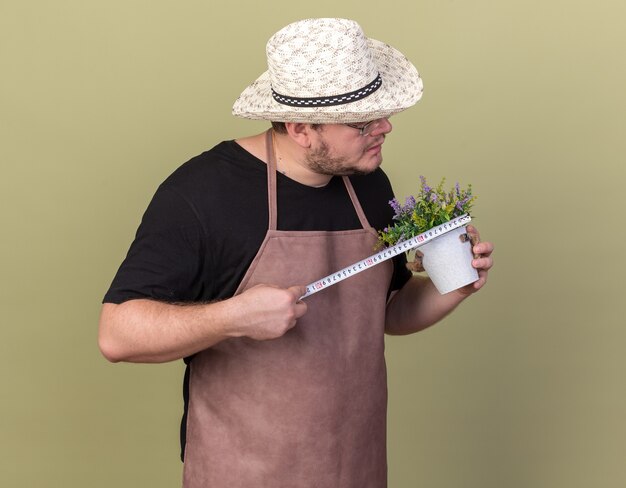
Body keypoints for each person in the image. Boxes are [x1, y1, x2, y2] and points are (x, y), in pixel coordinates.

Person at [99, 18, 494, 488]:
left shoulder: (368, 185)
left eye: (382, 111)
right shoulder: (203, 194)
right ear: (301, 127)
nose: (385, 127)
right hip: (245, 473)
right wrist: (232, 317)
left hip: (357, 466)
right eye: (363, 121)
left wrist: (456, 284)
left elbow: (386, 311)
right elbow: (117, 335)